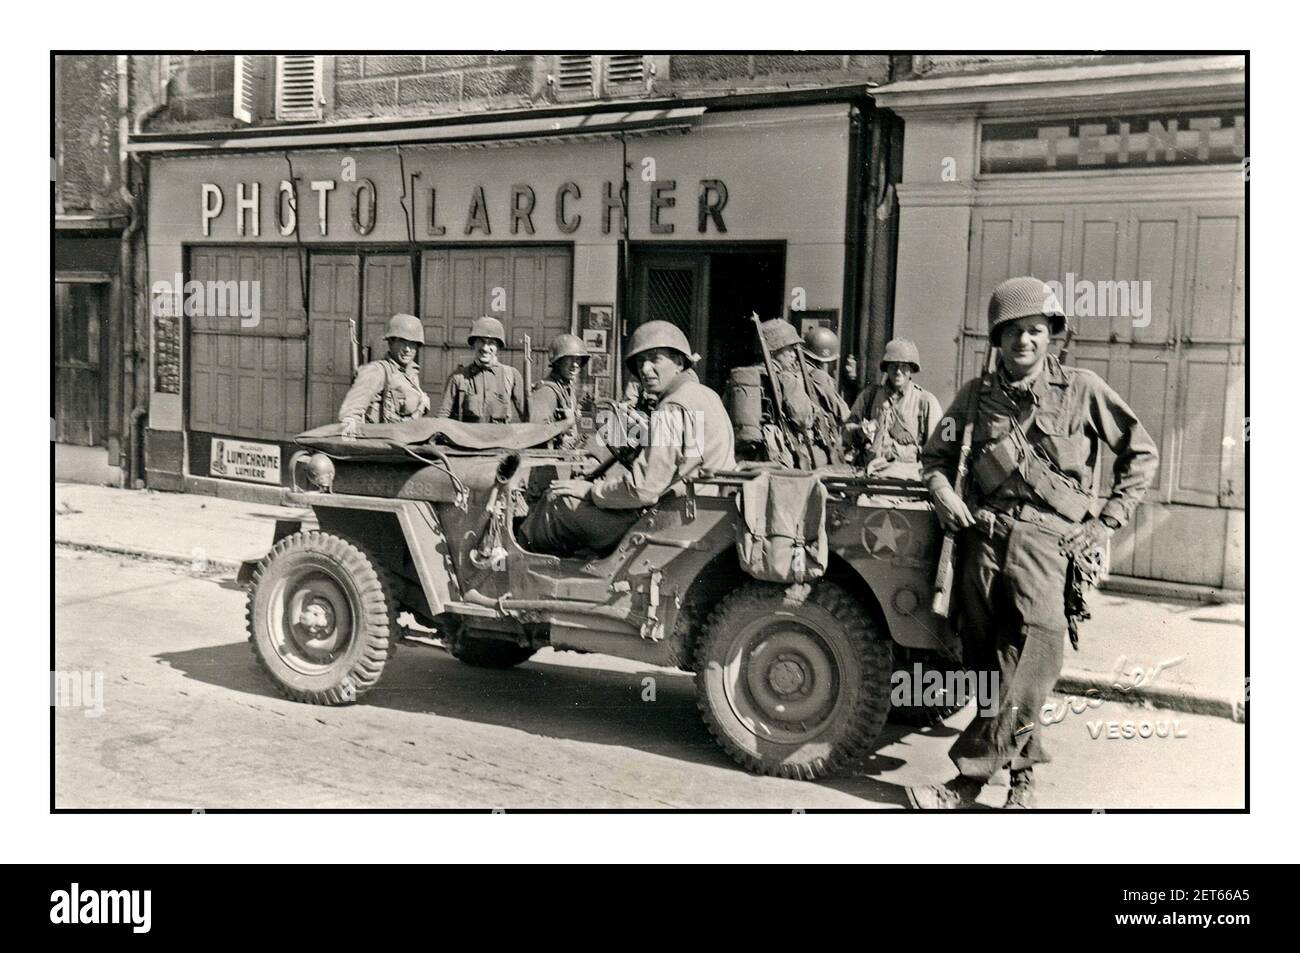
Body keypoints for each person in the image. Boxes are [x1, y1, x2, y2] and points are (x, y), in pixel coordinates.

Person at [909, 276, 1158, 810]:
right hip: (982, 544)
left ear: (1052, 336)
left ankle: (969, 779)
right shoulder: (975, 397)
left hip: (1047, 548)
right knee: (988, 668)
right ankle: (1022, 782)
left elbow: (1142, 454)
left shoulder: (1084, 390)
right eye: (1013, 332)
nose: (1024, 341)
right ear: (997, 341)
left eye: (1035, 331)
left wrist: (1108, 520)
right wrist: (941, 493)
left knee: (1032, 670)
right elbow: (933, 458)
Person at [519, 320, 735, 557]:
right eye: (640, 362)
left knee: (557, 503)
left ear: (679, 362)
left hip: (666, 519)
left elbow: (643, 489)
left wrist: (592, 490)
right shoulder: (706, 395)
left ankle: (511, 574)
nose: (645, 369)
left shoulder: (672, 408)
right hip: (700, 512)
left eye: (655, 358)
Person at [731, 318, 842, 468]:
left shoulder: (745, 378)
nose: (794, 355)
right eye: (789, 349)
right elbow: (802, 419)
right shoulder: (787, 378)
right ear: (775, 349)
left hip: (750, 455)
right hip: (781, 455)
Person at [844, 338, 944, 479]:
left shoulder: (926, 401)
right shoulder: (869, 395)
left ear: (911, 369)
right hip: (869, 474)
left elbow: (939, 448)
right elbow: (846, 432)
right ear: (886, 368)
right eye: (893, 366)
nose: (898, 371)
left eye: (904, 366)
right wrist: (860, 430)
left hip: (905, 479)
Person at [338, 313, 431, 438]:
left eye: (412, 343)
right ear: (391, 342)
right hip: (382, 445)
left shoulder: (412, 374)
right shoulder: (376, 371)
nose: (408, 349)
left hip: (408, 442)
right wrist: (351, 445)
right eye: (402, 342)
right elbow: (351, 413)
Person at [437, 316, 527, 423]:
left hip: (501, 438)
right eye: (481, 341)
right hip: (468, 438)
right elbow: (443, 415)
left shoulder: (511, 375)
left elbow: (526, 416)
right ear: (474, 344)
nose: (485, 348)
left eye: (491, 343)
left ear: (498, 347)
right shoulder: (458, 377)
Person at [529, 333, 590, 447]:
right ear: (558, 362)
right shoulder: (546, 392)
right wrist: (566, 424)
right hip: (548, 458)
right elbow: (537, 433)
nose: (575, 364)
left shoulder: (567, 388)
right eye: (569, 359)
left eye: (578, 359)